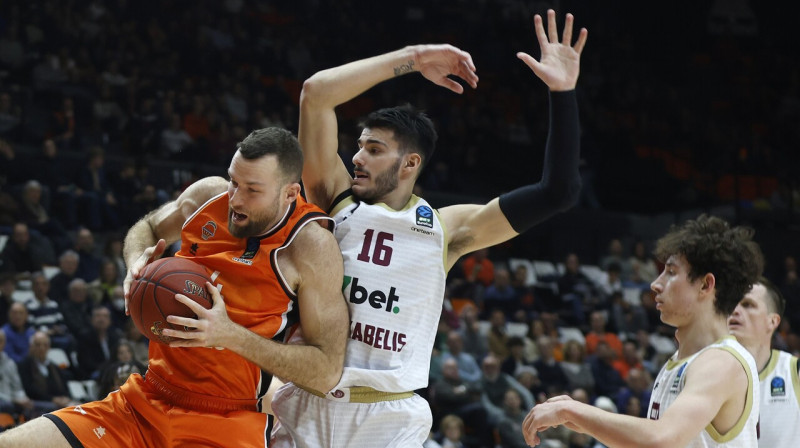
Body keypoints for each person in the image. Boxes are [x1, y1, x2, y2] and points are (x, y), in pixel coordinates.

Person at [271, 11, 587, 446]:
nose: (358, 158)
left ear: (410, 163)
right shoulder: (334, 197)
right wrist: (413, 58)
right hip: (310, 400)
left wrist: (562, 92)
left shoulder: (445, 229)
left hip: (390, 417)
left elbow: (558, 192)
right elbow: (316, 94)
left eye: (374, 149)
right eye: (359, 146)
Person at [0, 127, 349, 447]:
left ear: (290, 193)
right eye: (233, 182)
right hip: (146, 397)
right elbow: (149, 227)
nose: (236, 199)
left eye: (252, 190)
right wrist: (136, 260)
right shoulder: (208, 199)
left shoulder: (310, 248)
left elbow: (325, 372)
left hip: (226, 420)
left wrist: (230, 334)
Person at [522, 215, 764, 447]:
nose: (655, 284)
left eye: (670, 272)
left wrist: (572, 410)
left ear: (705, 285)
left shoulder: (721, 362)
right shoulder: (682, 361)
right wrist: (577, 419)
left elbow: (660, 440)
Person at [728, 277, 800, 447]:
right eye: (732, 303)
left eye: (748, 305)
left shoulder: (793, 372)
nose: (735, 310)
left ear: (773, 321)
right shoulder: (706, 370)